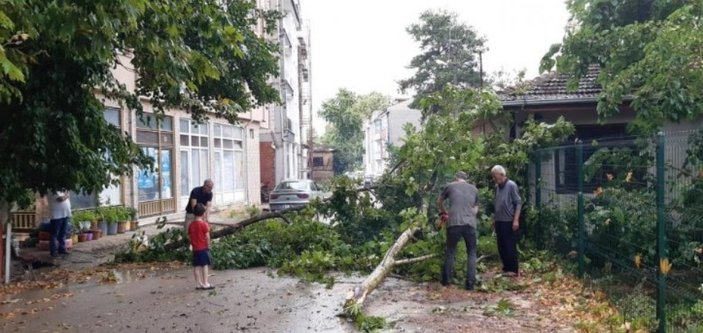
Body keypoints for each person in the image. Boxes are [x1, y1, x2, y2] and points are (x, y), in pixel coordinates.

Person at [436, 171, 479, 290]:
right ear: (466, 179)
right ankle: (470, 283)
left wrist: (443, 212)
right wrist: (470, 215)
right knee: (471, 252)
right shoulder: (474, 189)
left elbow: (439, 201)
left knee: (450, 251)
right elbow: (476, 208)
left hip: (454, 223)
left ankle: (446, 281)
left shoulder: (450, 186)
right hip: (470, 224)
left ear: (456, 178)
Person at [491, 165, 522, 278]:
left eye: (495, 176)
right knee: (501, 245)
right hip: (499, 220)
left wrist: (516, 220)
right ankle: (506, 267)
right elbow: (497, 203)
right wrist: (495, 219)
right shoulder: (497, 187)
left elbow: (518, 203)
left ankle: (513, 269)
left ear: (501, 174)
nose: (494, 178)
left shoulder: (511, 185)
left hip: (509, 220)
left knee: (509, 245)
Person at [189, 203, 214, 290]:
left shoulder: (191, 225)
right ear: (203, 213)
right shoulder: (204, 224)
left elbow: (190, 236)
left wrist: (192, 244)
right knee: (204, 265)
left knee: (196, 266)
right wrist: (209, 245)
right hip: (203, 248)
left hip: (195, 248)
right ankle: (205, 283)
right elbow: (207, 236)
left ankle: (198, 284)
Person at [48, 190, 71, 258]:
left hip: (65, 214)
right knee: (54, 234)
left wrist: (66, 195)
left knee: (63, 232)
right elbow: (60, 199)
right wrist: (67, 195)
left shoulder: (62, 190)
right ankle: (53, 251)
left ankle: (62, 249)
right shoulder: (51, 189)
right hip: (56, 215)